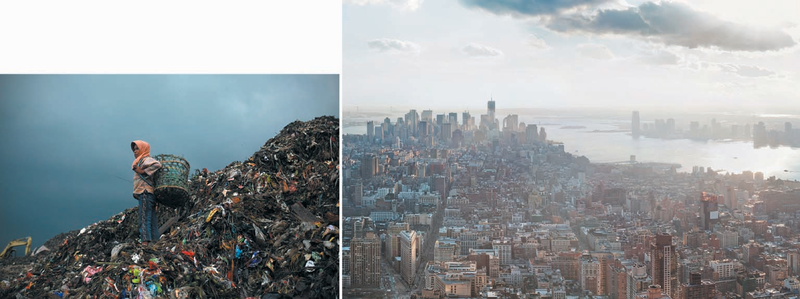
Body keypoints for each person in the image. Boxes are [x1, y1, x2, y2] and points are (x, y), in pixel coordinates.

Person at [131, 140, 162, 246]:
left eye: (137, 149)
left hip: (145, 192)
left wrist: (142, 171)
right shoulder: (139, 161)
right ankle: (155, 241)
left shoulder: (145, 159)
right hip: (147, 193)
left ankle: (145, 242)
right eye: (134, 149)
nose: (135, 151)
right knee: (151, 218)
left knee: (144, 217)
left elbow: (157, 165)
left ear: (143, 149)